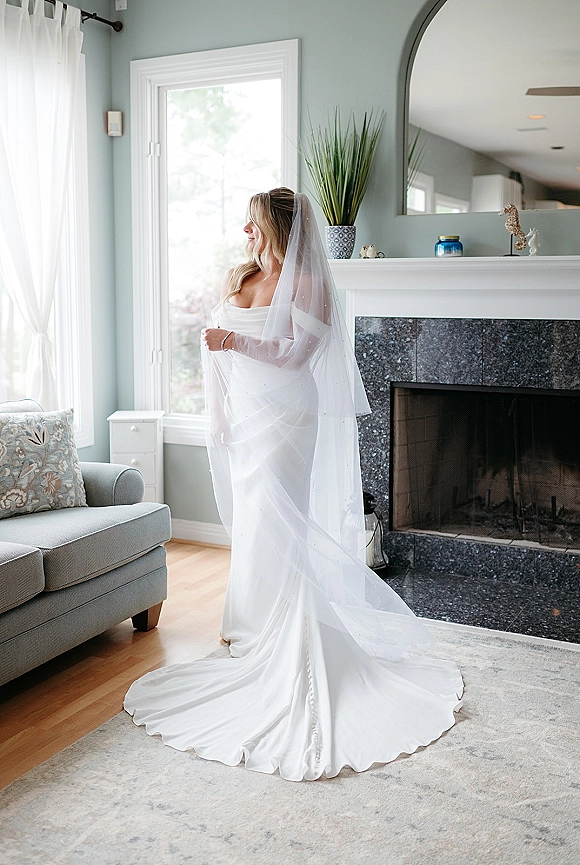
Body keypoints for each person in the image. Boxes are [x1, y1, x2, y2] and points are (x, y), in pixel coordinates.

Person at [124, 188, 463, 782]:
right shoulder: (243, 276)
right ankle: (250, 628)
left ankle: (290, 631)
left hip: (287, 416)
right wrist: (222, 415)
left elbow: (295, 355)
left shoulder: (308, 282)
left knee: (281, 517)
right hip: (247, 415)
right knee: (256, 519)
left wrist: (233, 341)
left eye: (253, 222)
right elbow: (216, 358)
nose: (245, 231)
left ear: (279, 227)